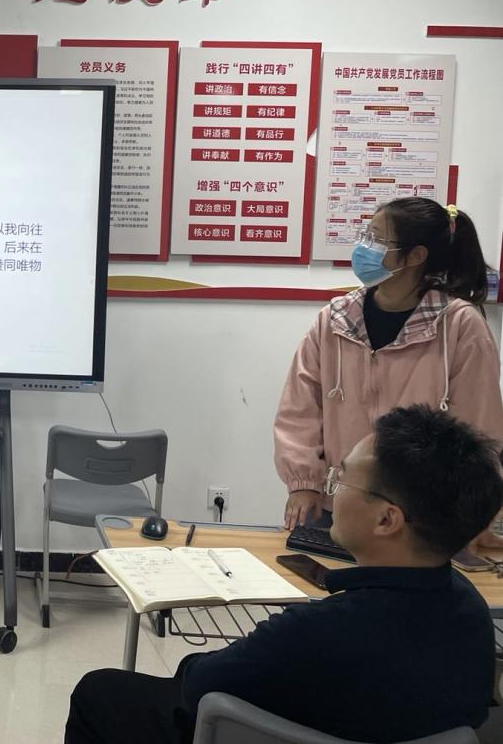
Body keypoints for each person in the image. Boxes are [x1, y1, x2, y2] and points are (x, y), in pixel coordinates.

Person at [66, 404, 502, 744]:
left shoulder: (313, 633)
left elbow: (200, 687)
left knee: (100, 692)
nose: (331, 489)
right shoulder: (472, 617)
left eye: (341, 479)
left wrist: (195, 663)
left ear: (387, 519)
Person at [274, 197, 503, 538]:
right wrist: (303, 482)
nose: (363, 246)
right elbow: (300, 408)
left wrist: (472, 512)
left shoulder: (458, 326)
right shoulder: (335, 319)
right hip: (337, 505)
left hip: (422, 515)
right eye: (365, 235)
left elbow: (479, 428)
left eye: (377, 239)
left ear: (415, 256)